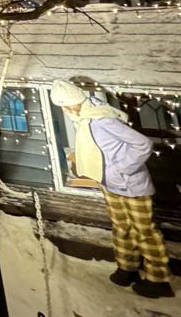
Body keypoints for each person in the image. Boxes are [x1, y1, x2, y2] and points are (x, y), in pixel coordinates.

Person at [50, 79, 174, 298]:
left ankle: (158, 279)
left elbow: (143, 144)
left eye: (67, 105)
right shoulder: (83, 119)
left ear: (76, 100)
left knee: (145, 232)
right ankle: (128, 268)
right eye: (63, 106)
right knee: (121, 228)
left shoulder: (101, 120)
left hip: (132, 185)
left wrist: (124, 168)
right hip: (109, 184)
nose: (66, 110)